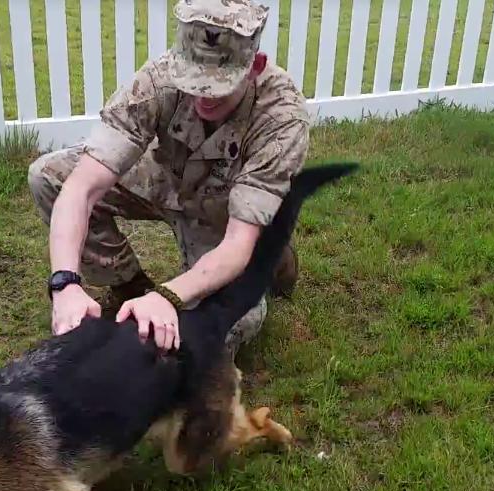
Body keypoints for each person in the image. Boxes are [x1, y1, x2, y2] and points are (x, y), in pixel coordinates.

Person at [29, 0, 309, 356]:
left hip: (228, 212)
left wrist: (169, 296)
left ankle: (273, 256)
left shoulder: (281, 118)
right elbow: (80, 187)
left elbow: (237, 243)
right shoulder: (158, 78)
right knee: (49, 176)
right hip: (167, 176)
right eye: (193, 79)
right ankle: (129, 286)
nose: (202, 96)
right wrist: (64, 283)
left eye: (218, 84)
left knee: (228, 318)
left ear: (255, 66)